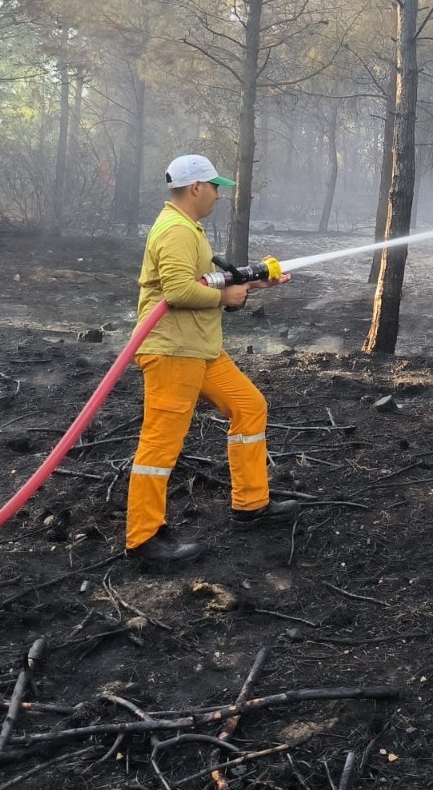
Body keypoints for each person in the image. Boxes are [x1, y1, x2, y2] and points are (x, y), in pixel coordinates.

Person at [125, 154, 298, 565]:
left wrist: (249, 285)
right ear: (196, 187)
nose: (219, 195)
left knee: (249, 407)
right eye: (215, 187)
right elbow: (177, 292)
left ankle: (250, 505)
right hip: (172, 352)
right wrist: (224, 298)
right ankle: (143, 539)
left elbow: (204, 283)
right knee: (160, 444)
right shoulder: (175, 231)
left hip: (200, 349)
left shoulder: (190, 230)